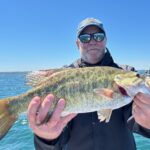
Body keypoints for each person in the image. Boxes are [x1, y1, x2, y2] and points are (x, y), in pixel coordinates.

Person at [27, 18, 150, 150]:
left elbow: (136, 121)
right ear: (77, 43)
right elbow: (55, 141)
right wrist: (45, 139)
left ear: (106, 40)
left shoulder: (127, 72)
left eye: (98, 36)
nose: (92, 41)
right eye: (85, 38)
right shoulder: (63, 75)